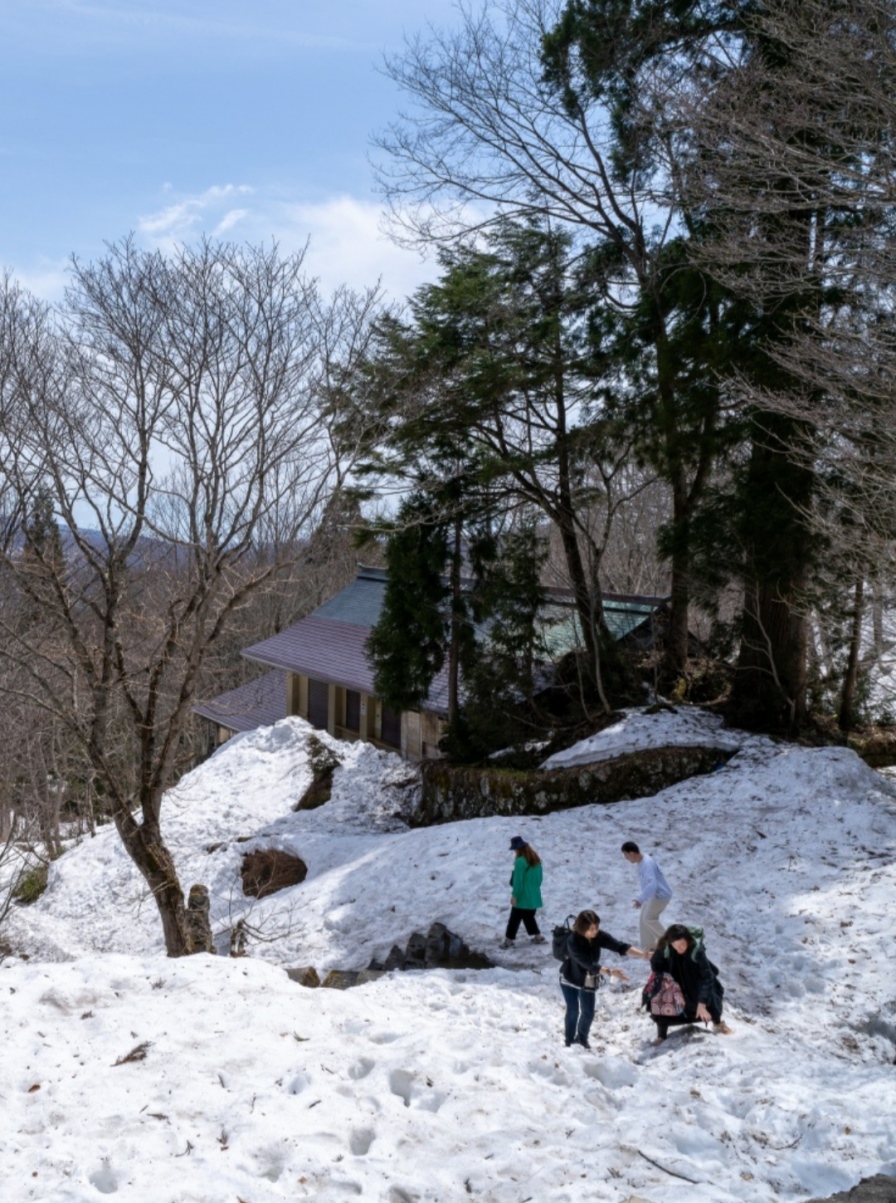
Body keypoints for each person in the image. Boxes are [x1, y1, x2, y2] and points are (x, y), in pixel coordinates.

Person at [559, 909, 649, 1049]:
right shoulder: (573, 941)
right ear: (582, 928)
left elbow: (620, 946)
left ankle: (581, 1040)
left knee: (588, 1013)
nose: (595, 931)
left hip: (589, 978)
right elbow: (588, 963)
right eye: (591, 929)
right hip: (570, 978)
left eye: (596, 927)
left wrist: (643, 954)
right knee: (573, 1011)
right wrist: (610, 971)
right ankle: (569, 1042)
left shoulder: (598, 936)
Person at [646, 923, 733, 1043]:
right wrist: (664, 978)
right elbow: (655, 965)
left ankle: (718, 1024)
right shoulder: (664, 949)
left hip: (694, 981)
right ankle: (661, 1035)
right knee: (662, 1000)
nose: (681, 948)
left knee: (709, 997)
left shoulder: (696, 950)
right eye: (676, 945)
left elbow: (707, 977)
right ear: (671, 943)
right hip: (674, 981)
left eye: (683, 944)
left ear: (688, 940)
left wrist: (702, 1004)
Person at [621, 841, 672, 950]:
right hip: (652, 895)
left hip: (660, 896)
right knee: (643, 918)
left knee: (649, 918)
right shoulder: (642, 861)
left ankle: (670, 943)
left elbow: (652, 886)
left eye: (626, 856)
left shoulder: (646, 864)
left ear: (632, 854)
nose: (626, 859)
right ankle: (649, 946)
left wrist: (640, 899)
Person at [500, 835, 545, 948]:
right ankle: (538, 937)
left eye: (515, 849)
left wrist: (515, 895)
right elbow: (540, 879)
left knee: (514, 919)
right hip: (534, 895)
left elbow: (518, 882)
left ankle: (508, 941)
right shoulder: (536, 860)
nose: (514, 851)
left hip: (523, 896)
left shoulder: (520, 861)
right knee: (528, 917)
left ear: (518, 849)